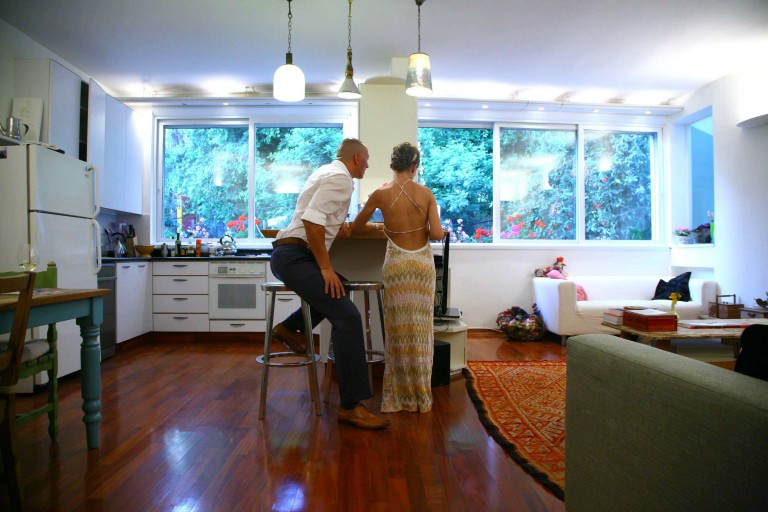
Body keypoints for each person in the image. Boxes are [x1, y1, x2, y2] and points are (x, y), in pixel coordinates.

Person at [269, 137, 390, 430]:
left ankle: (289, 327)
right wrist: (325, 267)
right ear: (357, 158)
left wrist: (339, 228)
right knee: (349, 317)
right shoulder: (341, 178)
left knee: (342, 286)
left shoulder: (326, 172)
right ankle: (351, 406)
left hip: (290, 254)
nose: (368, 165)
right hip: (296, 256)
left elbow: (319, 218)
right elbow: (312, 220)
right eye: (367, 159)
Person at [351, 141, 444, 413]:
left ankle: (398, 398)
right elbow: (437, 234)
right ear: (414, 167)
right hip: (421, 267)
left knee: (397, 330)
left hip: (397, 266)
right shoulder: (426, 193)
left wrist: (382, 227)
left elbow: (356, 227)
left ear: (394, 166)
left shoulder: (380, 194)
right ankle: (421, 398)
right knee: (421, 331)